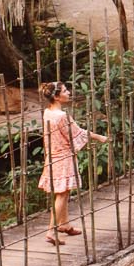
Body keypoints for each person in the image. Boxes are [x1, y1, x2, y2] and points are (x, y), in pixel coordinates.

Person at [37, 81, 107, 245]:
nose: (68, 93)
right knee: (62, 193)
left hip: (53, 156)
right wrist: (99, 137)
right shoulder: (62, 117)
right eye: (65, 91)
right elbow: (77, 133)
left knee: (64, 191)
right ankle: (51, 230)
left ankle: (64, 224)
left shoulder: (47, 112)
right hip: (63, 157)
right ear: (56, 96)